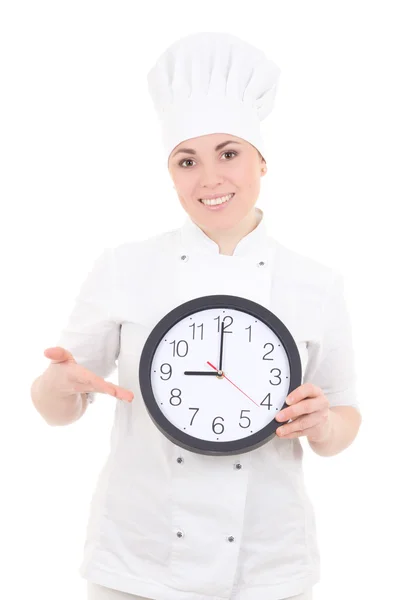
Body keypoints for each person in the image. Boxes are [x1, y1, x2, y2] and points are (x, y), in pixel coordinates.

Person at [31, 32, 362, 600]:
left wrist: (322, 424)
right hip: (136, 563)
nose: (209, 178)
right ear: (171, 172)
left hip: (268, 567)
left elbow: (342, 421)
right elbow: (56, 407)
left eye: (228, 153)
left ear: (262, 160)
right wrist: (58, 384)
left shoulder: (318, 285)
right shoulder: (122, 267)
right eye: (187, 161)